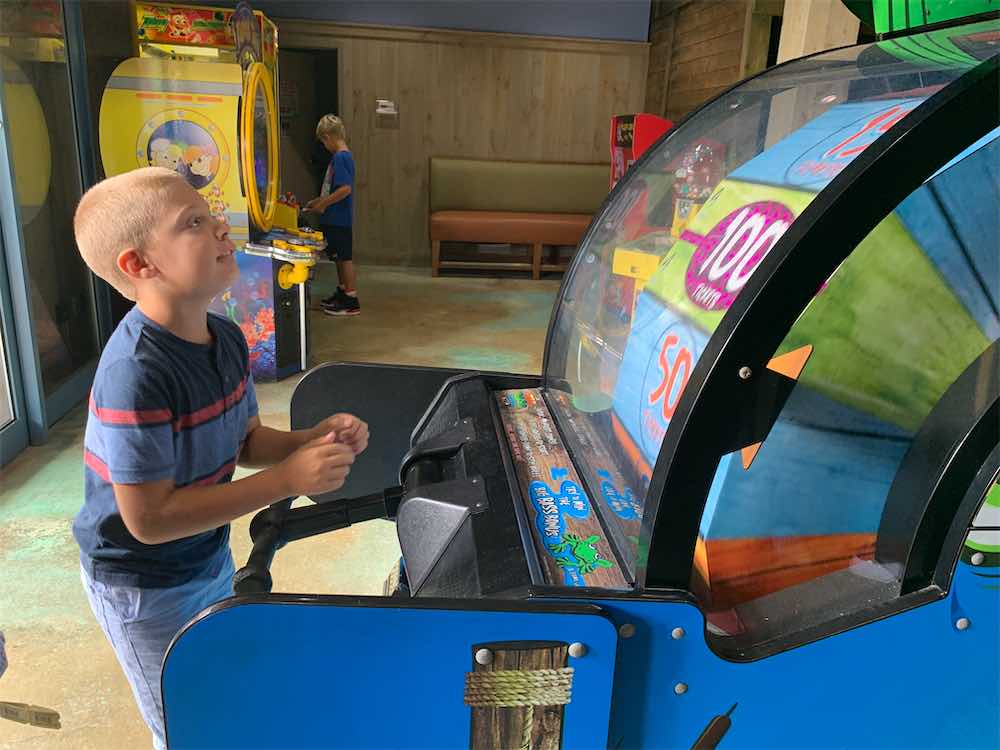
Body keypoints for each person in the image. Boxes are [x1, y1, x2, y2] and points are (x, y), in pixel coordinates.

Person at [71, 167, 368, 748]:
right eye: (194, 224)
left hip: (205, 557)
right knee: (188, 719)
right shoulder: (137, 373)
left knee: (225, 693)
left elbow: (246, 441)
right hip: (142, 585)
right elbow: (149, 519)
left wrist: (309, 440)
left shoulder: (227, 337)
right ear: (139, 266)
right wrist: (287, 480)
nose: (222, 229)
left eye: (211, 215)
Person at [304, 114, 360, 316]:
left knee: (344, 258)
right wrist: (317, 202)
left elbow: (345, 189)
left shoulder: (341, 157)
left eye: (323, 141)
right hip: (333, 217)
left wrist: (324, 204)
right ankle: (343, 291)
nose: (324, 146)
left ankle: (351, 299)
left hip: (339, 219)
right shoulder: (340, 157)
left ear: (328, 136)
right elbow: (332, 189)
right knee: (337, 257)